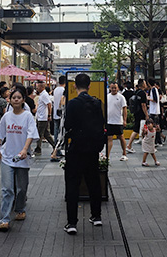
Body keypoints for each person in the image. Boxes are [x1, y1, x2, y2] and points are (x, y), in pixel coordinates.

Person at [63, 73, 105, 235]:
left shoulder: (72, 104)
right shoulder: (96, 103)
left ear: (74, 86)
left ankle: (72, 223)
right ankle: (96, 216)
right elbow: (101, 123)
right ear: (89, 86)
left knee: (72, 184)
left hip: (76, 149)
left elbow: (67, 125)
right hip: (93, 149)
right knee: (93, 182)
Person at [0, 86, 39, 232]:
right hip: (7, 157)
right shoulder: (7, 116)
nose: (16, 100)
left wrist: (25, 149)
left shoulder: (27, 116)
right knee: (7, 189)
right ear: (10, 100)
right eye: (14, 98)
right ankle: (5, 219)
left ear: (23, 100)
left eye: (19, 98)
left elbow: (31, 134)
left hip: (22, 158)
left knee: (21, 188)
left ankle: (20, 209)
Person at [106, 81, 128, 161]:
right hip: (109, 121)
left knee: (121, 137)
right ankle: (107, 156)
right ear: (110, 88)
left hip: (118, 121)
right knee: (109, 138)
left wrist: (125, 120)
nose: (114, 89)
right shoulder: (107, 97)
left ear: (118, 88)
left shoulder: (121, 97)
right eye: (112, 88)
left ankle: (124, 153)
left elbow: (124, 109)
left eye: (115, 88)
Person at [33, 80, 56, 155]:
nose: (37, 89)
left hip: (43, 117)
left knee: (40, 133)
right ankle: (55, 146)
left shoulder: (44, 95)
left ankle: (38, 149)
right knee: (46, 134)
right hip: (41, 116)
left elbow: (49, 104)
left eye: (38, 87)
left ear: (41, 87)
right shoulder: (42, 94)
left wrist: (49, 114)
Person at [126, 79, 148, 153]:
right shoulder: (142, 93)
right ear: (142, 84)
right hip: (141, 113)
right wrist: (146, 114)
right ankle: (129, 145)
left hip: (136, 112)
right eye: (145, 83)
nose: (146, 84)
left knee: (138, 128)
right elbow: (143, 105)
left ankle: (144, 144)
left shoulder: (136, 92)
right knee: (137, 129)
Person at [52, 75, 66, 142]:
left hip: (55, 112)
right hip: (61, 113)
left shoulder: (55, 90)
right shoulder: (63, 90)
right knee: (61, 132)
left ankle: (55, 146)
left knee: (56, 131)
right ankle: (59, 147)